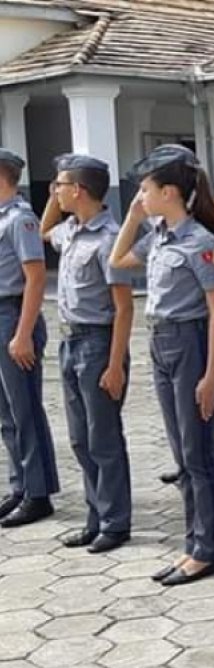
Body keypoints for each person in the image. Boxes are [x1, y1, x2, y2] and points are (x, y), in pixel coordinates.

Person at [111, 144, 214, 586]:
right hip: (159, 340)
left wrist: (211, 374)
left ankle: (206, 549)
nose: (140, 196)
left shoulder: (199, 242)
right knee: (182, 452)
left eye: (146, 190)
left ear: (171, 192)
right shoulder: (158, 234)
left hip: (189, 342)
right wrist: (134, 218)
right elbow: (118, 262)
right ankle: (193, 544)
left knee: (198, 452)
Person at [38, 154, 132, 551]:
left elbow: (125, 308)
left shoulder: (110, 238)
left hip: (97, 343)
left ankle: (115, 521)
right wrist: (52, 199)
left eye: (59, 185)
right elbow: (45, 230)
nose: (55, 191)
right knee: (80, 438)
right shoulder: (71, 230)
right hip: (69, 341)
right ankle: (96, 515)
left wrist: (115, 364)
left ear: (78, 190)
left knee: (103, 438)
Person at [0, 148, 58, 527]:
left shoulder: (20, 220)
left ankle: (38, 493)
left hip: (13, 313)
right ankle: (20, 484)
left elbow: (35, 277)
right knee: (6, 412)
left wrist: (23, 333)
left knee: (25, 409)